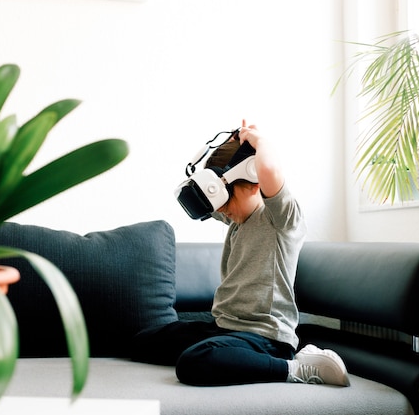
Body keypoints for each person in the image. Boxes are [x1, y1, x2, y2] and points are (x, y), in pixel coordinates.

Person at [131, 119, 350, 387]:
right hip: (225, 329)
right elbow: (197, 197)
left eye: (226, 199)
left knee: (193, 362)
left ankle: (295, 369)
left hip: (265, 337)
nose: (221, 209)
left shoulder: (279, 219)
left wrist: (258, 140)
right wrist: (227, 153)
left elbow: (268, 167)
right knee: (143, 342)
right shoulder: (236, 218)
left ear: (254, 181)